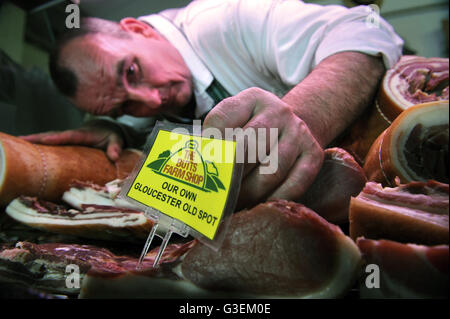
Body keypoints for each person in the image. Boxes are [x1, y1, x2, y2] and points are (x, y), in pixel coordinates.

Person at [22, 0, 403, 208]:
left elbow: (365, 26)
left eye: (132, 72)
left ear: (137, 30)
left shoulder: (225, 20)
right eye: (124, 107)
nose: (152, 100)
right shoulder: (140, 110)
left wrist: (305, 116)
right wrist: (118, 128)